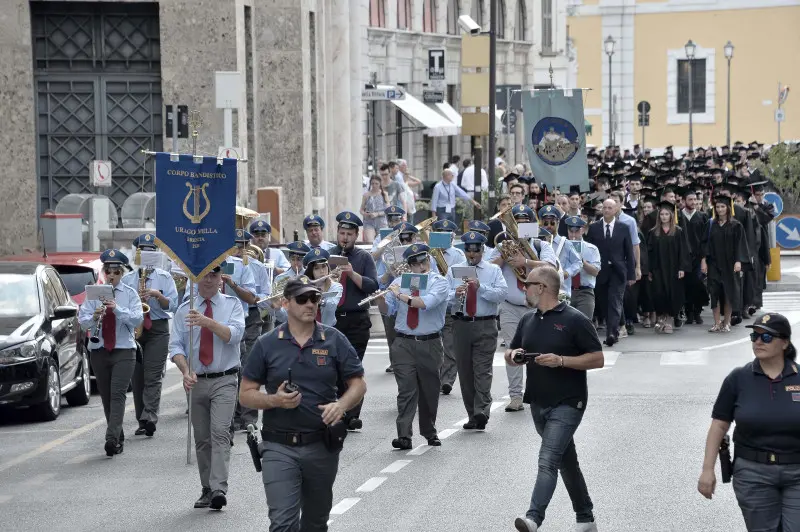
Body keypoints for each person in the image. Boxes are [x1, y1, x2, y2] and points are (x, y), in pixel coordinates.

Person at [240, 277, 366, 532]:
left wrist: (341, 405)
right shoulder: (267, 343)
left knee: (315, 523)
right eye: (302, 299)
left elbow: (358, 384)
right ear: (285, 304)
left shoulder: (333, 339)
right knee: (282, 523)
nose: (310, 304)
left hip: (321, 445)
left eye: (315, 299)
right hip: (278, 447)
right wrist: (274, 400)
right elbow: (245, 394)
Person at [509, 266, 603, 532]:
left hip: (569, 401)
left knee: (548, 459)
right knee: (566, 461)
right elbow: (511, 350)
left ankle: (533, 519)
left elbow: (597, 358)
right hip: (538, 401)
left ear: (542, 287)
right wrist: (514, 355)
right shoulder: (527, 319)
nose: (524, 288)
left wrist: (561, 361)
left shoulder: (574, 319)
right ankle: (586, 518)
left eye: (528, 284)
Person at [698, 312, 800, 531]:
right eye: (754, 336)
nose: (757, 342)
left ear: (784, 343)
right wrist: (708, 470)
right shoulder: (738, 378)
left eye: (766, 338)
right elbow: (719, 425)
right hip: (754, 473)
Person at [169, 260, 245, 510]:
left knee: (220, 432)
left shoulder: (232, 305)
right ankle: (207, 488)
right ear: (195, 278)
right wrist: (185, 369)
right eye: (204, 274)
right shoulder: (184, 310)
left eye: (214, 274)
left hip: (224, 378)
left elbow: (234, 336)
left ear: (221, 277)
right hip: (197, 380)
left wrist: (206, 322)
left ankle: (219, 488)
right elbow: (176, 346)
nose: (209, 279)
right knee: (202, 439)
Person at [378, 244, 450, 449]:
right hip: (403, 342)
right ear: (409, 266)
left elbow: (426, 303)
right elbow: (387, 311)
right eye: (415, 263)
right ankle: (404, 435)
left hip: (430, 342)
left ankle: (429, 431)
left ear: (429, 261)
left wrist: (401, 295)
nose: (421, 267)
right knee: (406, 390)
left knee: (429, 391)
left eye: (423, 261)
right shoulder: (400, 282)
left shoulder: (439, 282)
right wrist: (382, 299)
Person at [79, 249, 144, 456]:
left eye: (116, 271)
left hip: (124, 349)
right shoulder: (94, 293)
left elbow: (137, 320)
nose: (112, 275)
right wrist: (94, 316)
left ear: (122, 273)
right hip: (99, 349)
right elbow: (82, 322)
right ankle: (118, 435)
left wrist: (116, 309)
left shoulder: (130, 294)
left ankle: (111, 438)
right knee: (106, 396)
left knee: (117, 395)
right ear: (104, 272)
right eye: (108, 271)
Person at [493, 205, 558, 412]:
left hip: (537, 307)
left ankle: (539, 391)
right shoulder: (503, 245)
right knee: (513, 351)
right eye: (516, 222)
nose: (520, 226)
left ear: (532, 225)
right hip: (510, 306)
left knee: (539, 350)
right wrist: (504, 255)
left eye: (524, 223)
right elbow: (488, 268)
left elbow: (552, 267)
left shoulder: (540, 244)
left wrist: (526, 261)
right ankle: (515, 396)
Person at [448, 232, 507, 430]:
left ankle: (482, 410)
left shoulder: (493, 270)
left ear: (483, 250)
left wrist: (481, 287)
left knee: (482, 370)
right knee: (465, 372)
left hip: (485, 323)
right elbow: (443, 296)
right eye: (468, 250)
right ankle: (472, 415)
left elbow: (501, 294)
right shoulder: (455, 269)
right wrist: (454, 293)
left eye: (476, 250)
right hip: (461, 323)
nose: (472, 254)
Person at [122, 234, 178, 438]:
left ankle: (150, 417)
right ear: (136, 252)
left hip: (157, 329)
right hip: (135, 329)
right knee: (137, 378)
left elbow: (172, 305)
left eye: (150, 251)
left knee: (153, 376)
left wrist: (157, 295)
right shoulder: (128, 279)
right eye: (142, 250)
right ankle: (141, 420)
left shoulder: (164, 277)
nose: (146, 254)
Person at [330, 211, 378, 430]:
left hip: (357, 320)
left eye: (349, 234)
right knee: (334, 369)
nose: (345, 238)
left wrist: (351, 273)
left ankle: (353, 414)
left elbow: (372, 287)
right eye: (342, 233)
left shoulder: (363, 258)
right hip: (333, 320)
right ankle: (339, 410)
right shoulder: (328, 255)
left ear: (356, 235)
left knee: (353, 368)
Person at [584, 199, 635, 347]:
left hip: (618, 271)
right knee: (605, 302)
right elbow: (590, 250)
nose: (606, 210)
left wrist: (631, 274)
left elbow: (629, 252)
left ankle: (611, 333)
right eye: (604, 208)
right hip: (601, 272)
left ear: (616, 209)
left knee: (615, 301)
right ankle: (612, 329)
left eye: (610, 208)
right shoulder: (594, 228)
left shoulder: (623, 227)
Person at [231, 229, 268, 431]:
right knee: (232, 367)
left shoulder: (257, 266)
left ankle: (248, 417)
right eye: (236, 245)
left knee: (248, 366)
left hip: (251, 316)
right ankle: (234, 415)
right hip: (227, 315)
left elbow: (263, 293)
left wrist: (259, 301)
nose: (239, 249)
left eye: (243, 245)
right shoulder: (224, 265)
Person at [430, 218, 467, 395]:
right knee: (433, 345)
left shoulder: (459, 255)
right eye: (439, 234)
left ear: (452, 237)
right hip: (431, 306)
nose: (443, 238)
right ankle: (433, 377)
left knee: (450, 345)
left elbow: (462, 278)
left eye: (447, 235)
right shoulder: (427, 254)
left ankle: (447, 380)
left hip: (450, 305)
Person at [703, 195, 747, 333]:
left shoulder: (736, 225)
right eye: (718, 207)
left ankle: (726, 323)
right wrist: (703, 261)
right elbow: (704, 243)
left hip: (730, 264)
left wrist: (739, 261)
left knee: (728, 293)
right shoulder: (711, 224)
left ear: (728, 208)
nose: (720, 209)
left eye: (723, 206)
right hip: (714, 263)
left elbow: (740, 244)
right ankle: (716, 323)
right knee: (714, 293)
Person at [648, 201, 691, 334]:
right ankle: (661, 318)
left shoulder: (678, 232)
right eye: (662, 214)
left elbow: (683, 251)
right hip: (658, 269)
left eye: (667, 214)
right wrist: (649, 270)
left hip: (673, 269)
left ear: (672, 215)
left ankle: (669, 321)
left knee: (672, 294)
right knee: (659, 294)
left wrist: (682, 268)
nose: (664, 217)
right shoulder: (653, 232)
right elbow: (649, 252)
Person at [564, 216, 602, 321]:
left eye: (576, 231)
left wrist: (582, 262)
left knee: (584, 325)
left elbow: (595, 272)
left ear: (583, 230)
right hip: (566, 291)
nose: (573, 235)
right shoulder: (562, 247)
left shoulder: (592, 249)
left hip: (585, 292)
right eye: (570, 231)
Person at [359, 174, 389, 243]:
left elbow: (387, 210)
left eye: (376, 183)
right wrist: (365, 214)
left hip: (382, 222)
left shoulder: (384, 194)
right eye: (372, 183)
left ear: (380, 183)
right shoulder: (366, 195)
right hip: (369, 222)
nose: (374, 185)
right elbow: (361, 210)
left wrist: (377, 214)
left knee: (383, 243)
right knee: (370, 242)